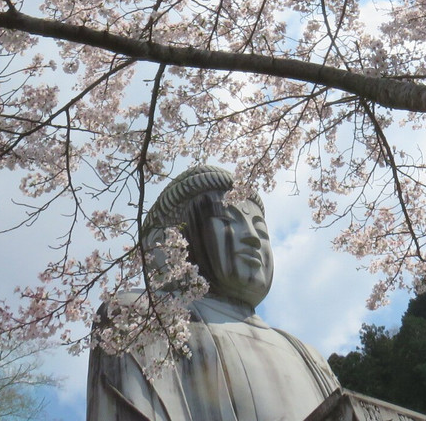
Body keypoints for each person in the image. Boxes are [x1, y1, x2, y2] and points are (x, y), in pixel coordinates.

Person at [87, 165, 340, 421]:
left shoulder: (309, 357)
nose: (253, 238)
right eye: (227, 221)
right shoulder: (140, 318)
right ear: (163, 243)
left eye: (261, 232)